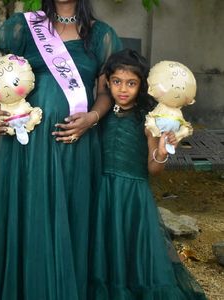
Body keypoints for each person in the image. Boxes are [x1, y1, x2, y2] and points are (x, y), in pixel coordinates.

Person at [0, 0, 122, 299]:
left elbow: (106, 92)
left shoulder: (101, 35)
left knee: (71, 217)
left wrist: (92, 118)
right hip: (26, 147)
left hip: (75, 144)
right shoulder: (23, 28)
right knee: (31, 216)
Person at [88, 49, 207, 299]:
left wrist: (162, 152)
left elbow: (154, 169)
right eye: (117, 82)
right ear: (107, 82)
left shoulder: (149, 121)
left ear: (141, 86)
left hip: (133, 196)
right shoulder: (100, 114)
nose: (123, 89)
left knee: (132, 250)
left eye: (131, 83)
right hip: (102, 193)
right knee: (105, 250)